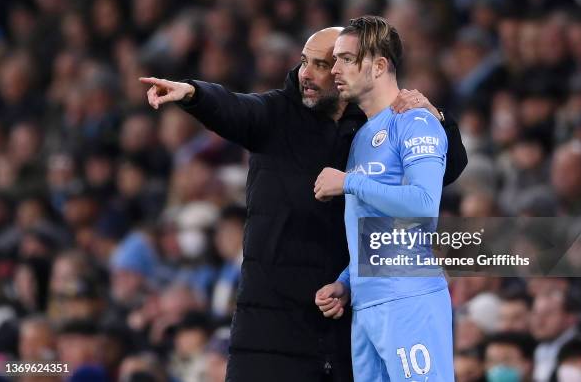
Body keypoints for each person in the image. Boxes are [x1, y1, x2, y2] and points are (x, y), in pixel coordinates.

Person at [140, 26, 467, 382]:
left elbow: (435, 181)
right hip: (272, 324)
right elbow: (234, 109)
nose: (305, 74)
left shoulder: (372, 128)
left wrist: (437, 120)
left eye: (325, 64)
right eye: (304, 62)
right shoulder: (277, 114)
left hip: (348, 314)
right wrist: (192, 93)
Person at [313, 16, 453, 381]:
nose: (335, 69)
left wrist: (350, 182)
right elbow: (378, 228)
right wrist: (347, 281)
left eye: (345, 58)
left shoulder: (416, 122)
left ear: (378, 65)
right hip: (367, 306)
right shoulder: (361, 137)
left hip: (409, 299)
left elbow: (424, 205)